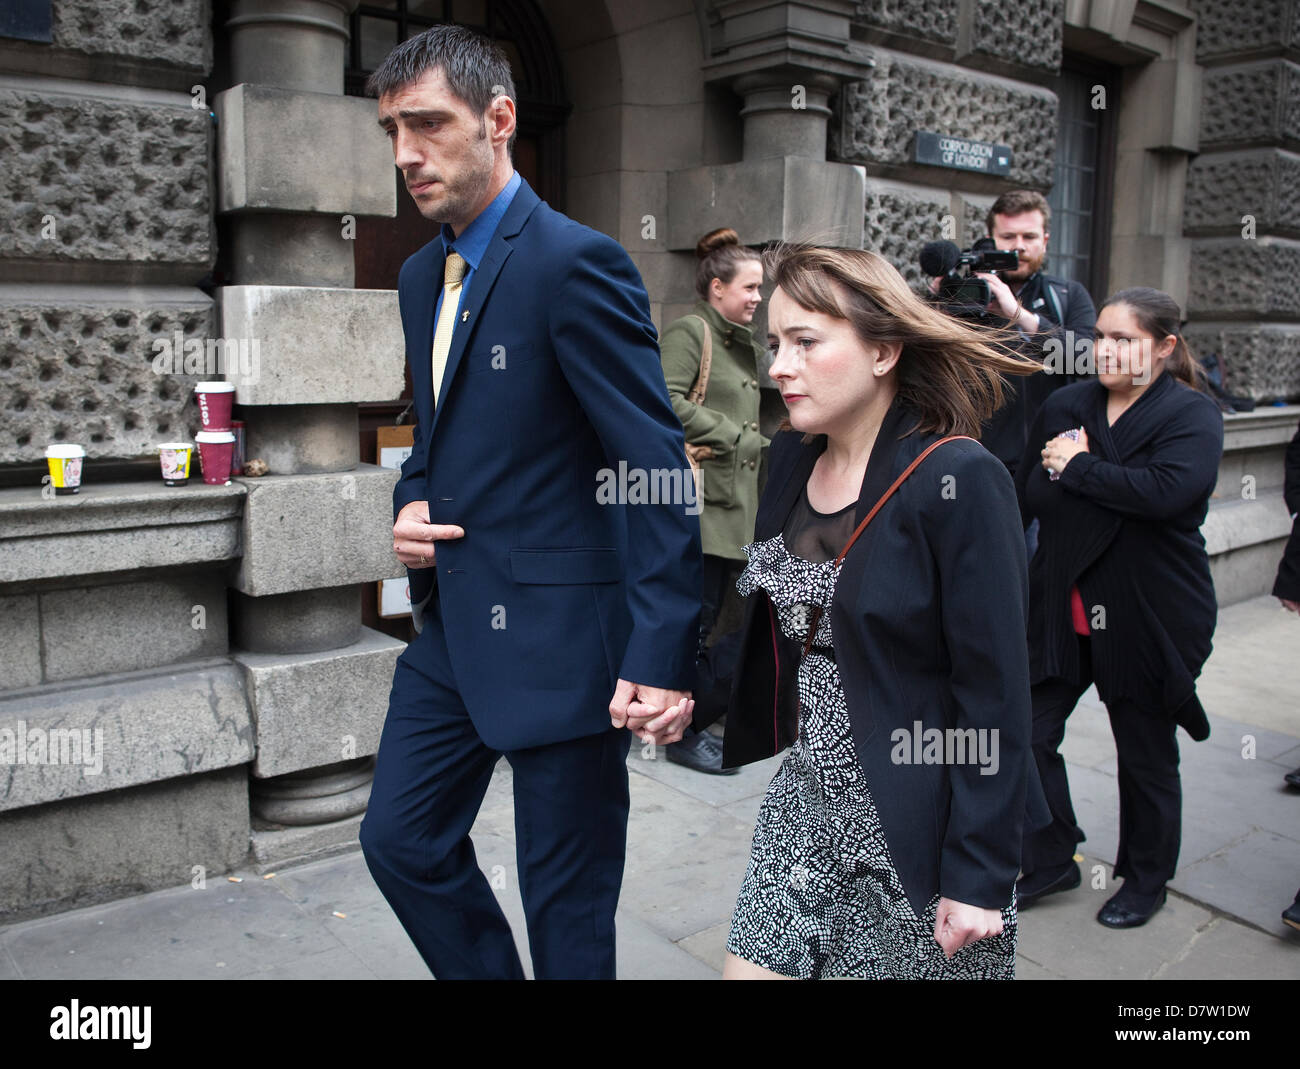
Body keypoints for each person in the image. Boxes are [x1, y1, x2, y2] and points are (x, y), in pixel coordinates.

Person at [358, 25, 701, 980]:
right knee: (399, 839)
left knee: (569, 913)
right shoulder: (423, 274)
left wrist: (660, 652)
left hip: (570, 644)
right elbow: (432, 433)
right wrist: (411, 500)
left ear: (499, 120)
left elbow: (654, 466)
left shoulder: (575, 262)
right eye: (392, 128)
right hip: (453, 635)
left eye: (427, 124)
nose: (405, 154)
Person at [699, 244, 1045, 979]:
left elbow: (996, 692)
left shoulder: (959, 478)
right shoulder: (790, 457)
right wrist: (682, 691)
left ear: (884, 350)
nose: (778, 367)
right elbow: (778, 622)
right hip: (807, 799)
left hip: (920, 809)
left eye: (805, 342)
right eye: (773, 344)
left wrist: (979, 872)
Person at [1016, 287, 1224, 929]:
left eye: (1123, 339)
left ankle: (1145, 878)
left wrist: (1078, 469)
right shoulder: (1067, 402)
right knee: (1024, 733)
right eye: (1100, 335)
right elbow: (1032, 488)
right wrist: (1102, 487)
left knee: (1144, 753)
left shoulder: (1190, 416)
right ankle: (1052, 854)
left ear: (1163, 348)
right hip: (1062, 605)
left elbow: (1168, 496)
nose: (1104, 349)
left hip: (1148, 611)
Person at [659, 228, 768, 775]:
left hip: (733, 507)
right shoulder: (692, 331)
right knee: (695, 623)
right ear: (717, 287)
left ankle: (695, 718)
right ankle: (679, 731)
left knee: (719, 622)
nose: (757, 299)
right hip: (698, 504)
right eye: (749, 288)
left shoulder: (738, 340)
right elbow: (664, 400)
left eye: (760, 290)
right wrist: (735, 435)